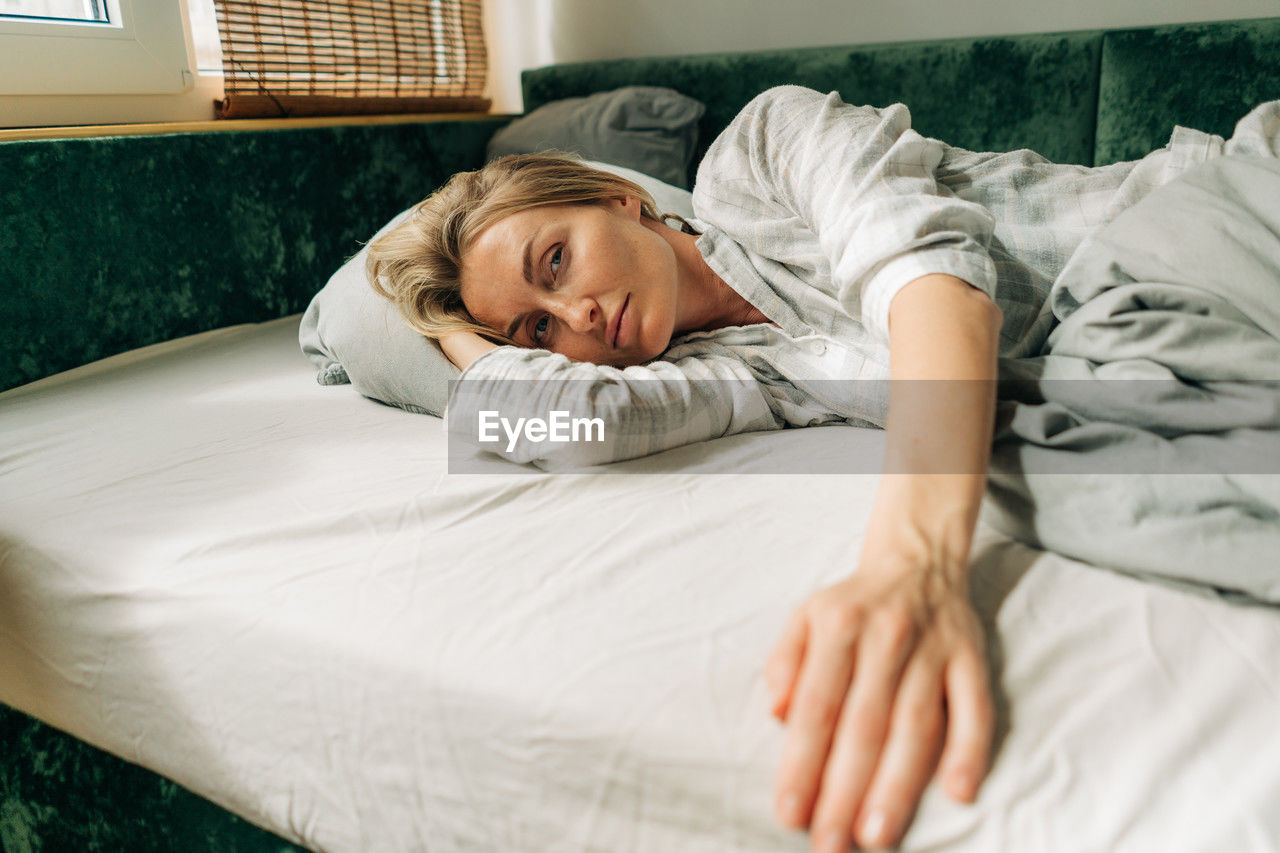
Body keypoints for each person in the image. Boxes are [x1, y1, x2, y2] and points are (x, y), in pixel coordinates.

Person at [366, 85, 1280, 852]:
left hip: (1190, 220)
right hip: (1107, 363)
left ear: (619, 197)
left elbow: (936, 292)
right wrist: (445, 323)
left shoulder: (761, 151)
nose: (578, 318)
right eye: (538, 328)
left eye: (555, 263)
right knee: (1095, 485)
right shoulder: (727, 375)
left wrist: (908, 564)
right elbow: (552, 416)